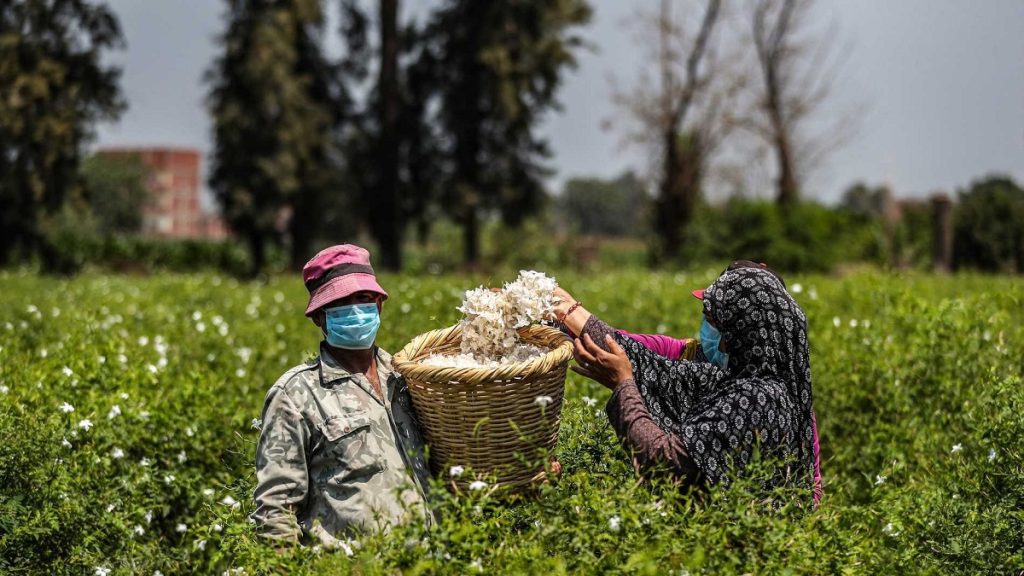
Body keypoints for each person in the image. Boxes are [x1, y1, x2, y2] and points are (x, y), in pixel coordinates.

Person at [554, 263, 821, 502]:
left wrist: (624, 385)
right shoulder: (743, 383)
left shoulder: (758, 399)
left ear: (744, 331)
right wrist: (569, 312)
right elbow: (645, 362)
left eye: (719, 324)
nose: (722, 342)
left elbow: (663, 462)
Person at [252, 244, 432, 547]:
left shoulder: (407, 379)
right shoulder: (296, 394)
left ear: (379, 305)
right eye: (341, 302)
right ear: (319, 318)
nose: (355, 309)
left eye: (363, 299)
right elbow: (276, 508)